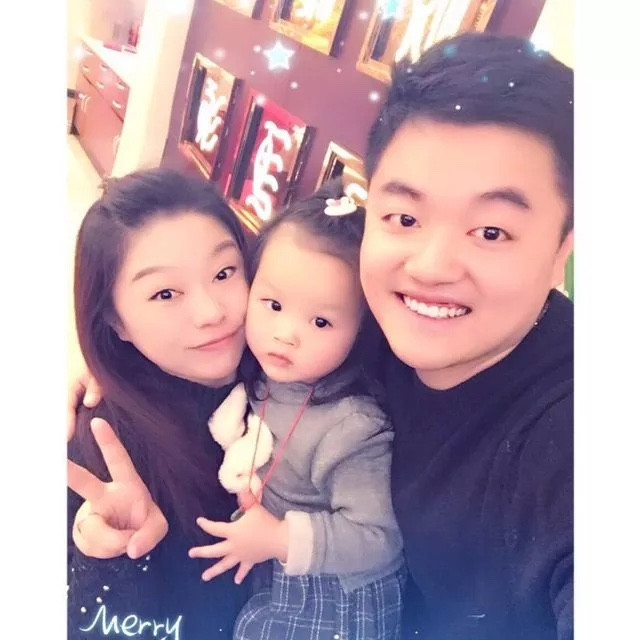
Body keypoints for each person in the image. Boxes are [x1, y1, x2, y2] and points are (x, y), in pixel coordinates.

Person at [359, 33, 574, 639]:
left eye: (491, 232)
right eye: (404, 218)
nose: (430, 267)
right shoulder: (347, 314)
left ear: (561, 253)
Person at [188, 180, 406, 639]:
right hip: (275, 566)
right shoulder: (258, 367)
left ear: (362, 330)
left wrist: (278, 539)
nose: (285, 334)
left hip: (336, 595)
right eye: (273, 304)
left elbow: (379, 538)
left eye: (321, 321)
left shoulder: (351, 427)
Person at [67, 168, 252, 639]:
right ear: (116, 321)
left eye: (224, 272)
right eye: (165, 293)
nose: (211, 312)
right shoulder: (102, 447)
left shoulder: (301, 366)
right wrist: (108, 557)